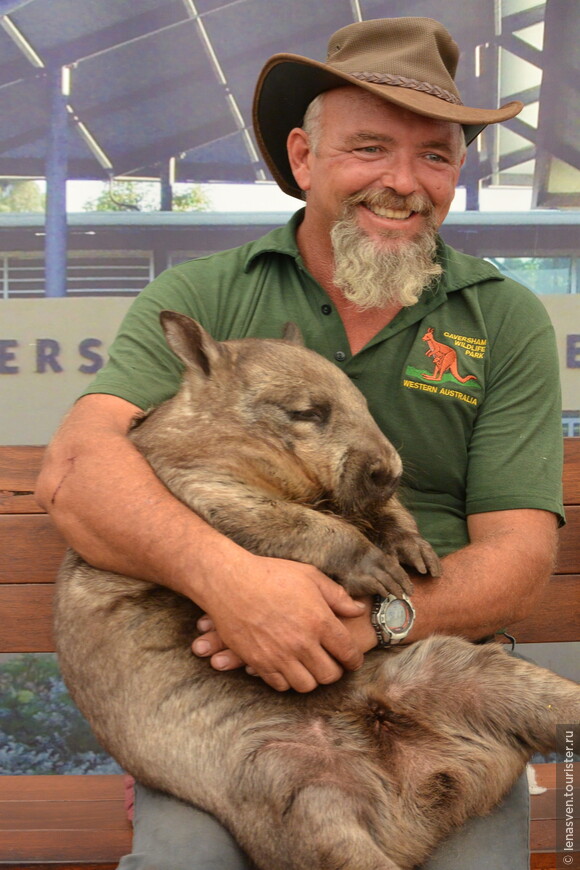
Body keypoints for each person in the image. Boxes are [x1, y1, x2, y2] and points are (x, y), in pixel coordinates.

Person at [36, 16, 564, 870]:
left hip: (418, 667)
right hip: (218, 688)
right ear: (305, 158)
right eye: (370, 148)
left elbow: (520, 556)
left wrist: (379, 625)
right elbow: (74, 472)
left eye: (435, 155)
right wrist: (235, 584)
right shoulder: (208, 296)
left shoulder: (501, 320)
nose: (403, 182)